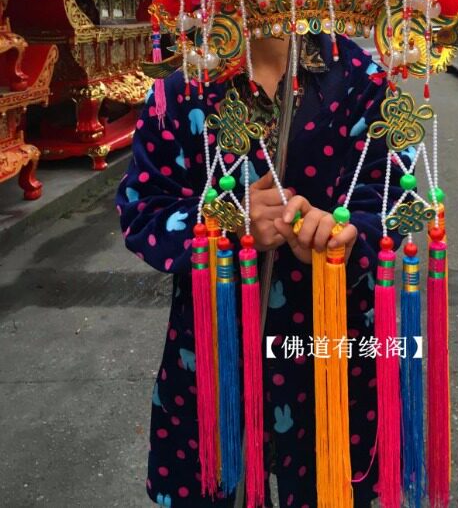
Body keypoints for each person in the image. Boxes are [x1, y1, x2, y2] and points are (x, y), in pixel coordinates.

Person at [117, 31, 404, 508]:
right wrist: (225, 220)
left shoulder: (359, 77)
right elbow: (142, 209)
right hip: (216, 339)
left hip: (329, 337)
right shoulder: (181, 89)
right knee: (214, 484)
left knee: (329, 487)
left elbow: (392, 189)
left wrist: (349, 233)